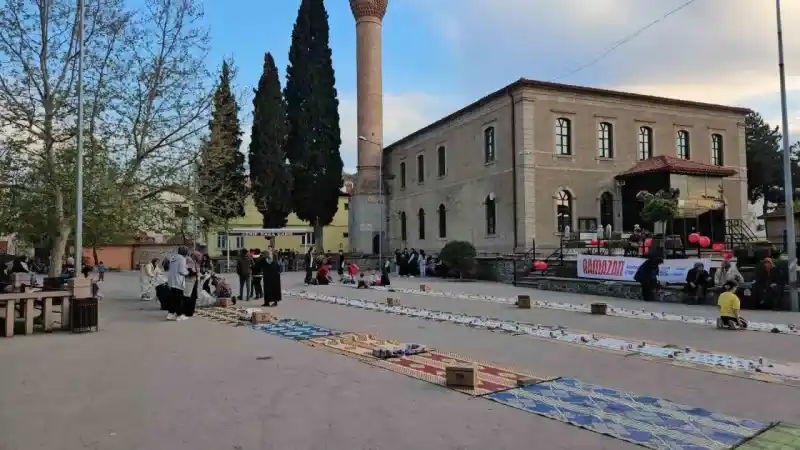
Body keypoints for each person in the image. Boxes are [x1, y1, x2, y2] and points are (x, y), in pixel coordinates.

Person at [165, 247, 189, 321]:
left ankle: (170, 314)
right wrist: (187, 272)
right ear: (185, 252)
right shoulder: (182, 258)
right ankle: (180, 315)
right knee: (179, 299)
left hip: (171, 280)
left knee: (172, 298)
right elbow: (181, 271)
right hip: (178, 281)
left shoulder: (173, 257)